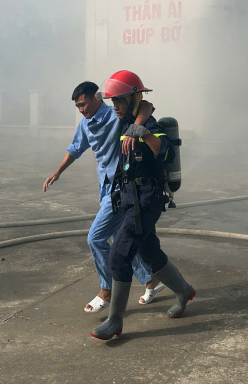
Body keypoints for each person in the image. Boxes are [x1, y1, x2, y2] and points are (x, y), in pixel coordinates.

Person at [43, 80, 164, 314]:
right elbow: (75, 149)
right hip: (105, 186)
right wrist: (57, 172)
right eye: (77, 107)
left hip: (122, 188)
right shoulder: (86, 124)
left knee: (96, 238)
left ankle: (106, 291)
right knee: (120, 238)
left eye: (83, 104)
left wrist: (135, 128)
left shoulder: (115, 114)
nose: (81, 110)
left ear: (97, 98)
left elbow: (146, 105)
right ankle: (151, 280)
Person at [91, 70, 195, 340]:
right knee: (149, 253)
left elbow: (168, 151)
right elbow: (143, 108)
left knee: (119, 255)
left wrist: (145, 132)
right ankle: (183, 291)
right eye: (113, 101)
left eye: (121, 101)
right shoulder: (126, 123)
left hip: (147, 200)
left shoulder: (152, 126)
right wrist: (137, 120)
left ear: (134, 99)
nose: (115, 107)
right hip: (129, 199)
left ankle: (115, 320)